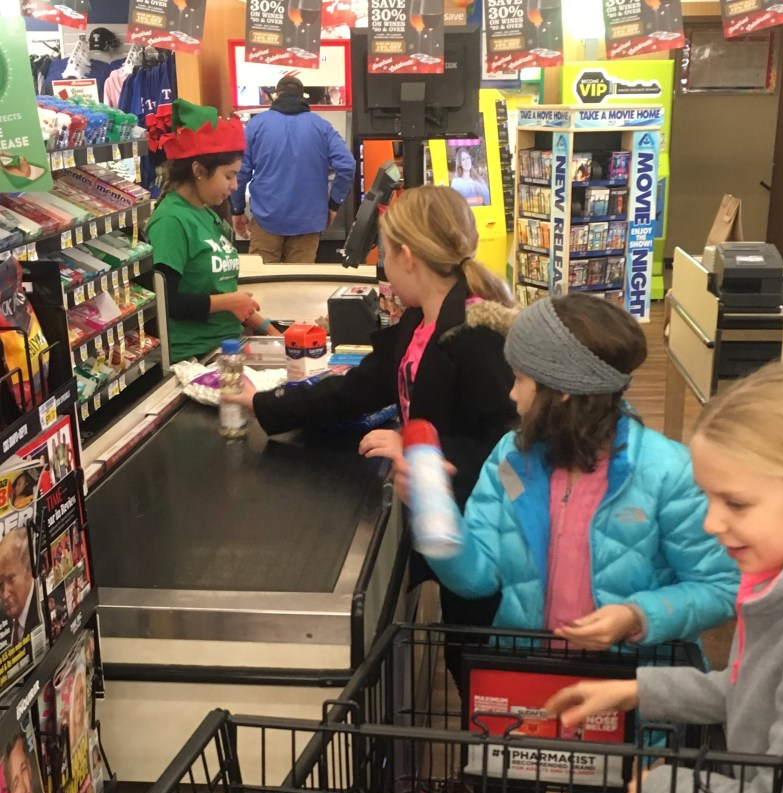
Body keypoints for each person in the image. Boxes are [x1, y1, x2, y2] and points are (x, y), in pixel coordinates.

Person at [546, 362, 783, 793]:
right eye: (707, 496)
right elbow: (754, 692)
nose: (710, 522)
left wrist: (668, 792)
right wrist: (636, 691)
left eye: (736, 503)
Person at [230, 184, 518, 636]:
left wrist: (418, 450)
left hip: (483, 531)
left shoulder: (475, 333)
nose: (382, 266)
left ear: (408, 257)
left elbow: (508, 444)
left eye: (384, 253)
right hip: (446, 518)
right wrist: (265, 403)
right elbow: (359, 389)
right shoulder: (419, 320)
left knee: (476, 644)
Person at [421, 293, 739, 649]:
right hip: (526, 669)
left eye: (520, 379)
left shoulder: (670, 473)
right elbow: (476, 579)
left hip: (630, 677)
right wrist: (433, 507)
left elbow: (720, 587)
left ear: (561, 389)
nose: (511, 394)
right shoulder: (510, 459)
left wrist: (638, 616)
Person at [145, 98, 282, 364]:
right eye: (228, 176)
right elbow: (165, 301)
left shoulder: (208, 215)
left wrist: (272, 332)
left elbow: (223, 293)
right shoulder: (171, 221)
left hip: (226, 349)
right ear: (198, 170)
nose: (234, 186)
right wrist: (230, 302)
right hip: (193, 358)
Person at [230, 75, 356, 265]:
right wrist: (333, 205)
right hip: (308, 222)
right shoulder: (321, 126)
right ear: (302, 96)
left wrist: (237, 209)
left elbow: (240, 172)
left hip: (266, 219)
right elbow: (347, 165)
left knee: (264, 279)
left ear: (277, 95)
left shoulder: (256, 125)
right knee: (299, 280)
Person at [0, 528, 42, 651]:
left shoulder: (43, 608)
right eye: (0, 585)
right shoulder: (4, 617)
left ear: (28, 571)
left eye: (11, 579)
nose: (5, 595)